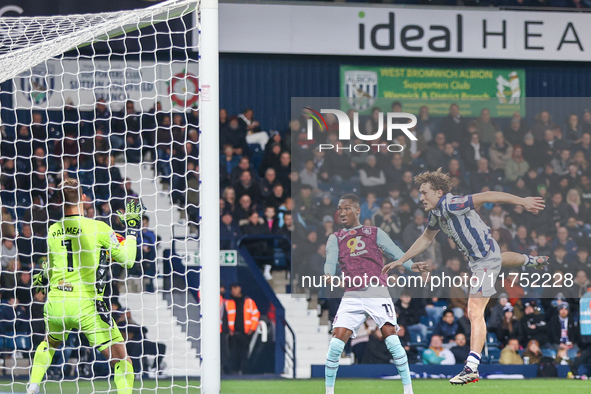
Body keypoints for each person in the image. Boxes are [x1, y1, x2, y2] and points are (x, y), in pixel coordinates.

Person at [382, 168, 547, 385]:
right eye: (420, 193)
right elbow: (425, 239)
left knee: (474, 311)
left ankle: (472, 367)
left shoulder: (452, 204)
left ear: (439, 192)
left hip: (484, 262)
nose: (421, 197)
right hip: (485, 257)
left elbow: (487, 196)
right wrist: (402, 260)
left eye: (424, 193)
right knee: (500, 258)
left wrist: (522, 201)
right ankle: (532, 260)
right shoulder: (436, 214)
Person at [27, 179, 141, 394]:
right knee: (122, 361)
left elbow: (50, 269)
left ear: (60, 201)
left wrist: (41, 278)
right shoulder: (98, 228)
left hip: (57, 302)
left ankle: (32, 387)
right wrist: (133, 231)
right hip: (86, 303)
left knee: (49, 344)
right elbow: (128, 260)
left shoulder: (53, 230)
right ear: (84, 198)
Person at [323, 194, 428, 394]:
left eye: (346, 208)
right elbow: (331, 259)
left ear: (357, 210)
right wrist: (328, 273)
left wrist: (411, 265)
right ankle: (329, 392)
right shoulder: (335, 238)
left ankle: (408, 390)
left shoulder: (374, 232)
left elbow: (395, 252)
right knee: (336, 342)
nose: (342, 212)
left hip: (375, 290)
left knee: (390, 334)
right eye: (339, 209)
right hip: (352, 293)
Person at [226, 283, 260, 374]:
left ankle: (244, 372)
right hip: (233, 333)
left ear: (240, 288)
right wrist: (229, 329)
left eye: (235, 288)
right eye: (232, 288)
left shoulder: (248, 301)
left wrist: (252, 328)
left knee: (244, 353)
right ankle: (234, 371)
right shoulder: (228, 302)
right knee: (233, 353)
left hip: (245, 333)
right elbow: (226, 317)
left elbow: (256, 314)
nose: (233, 290)